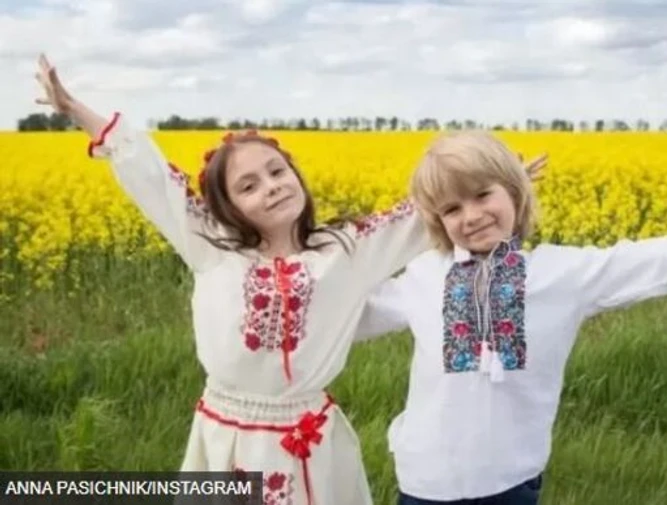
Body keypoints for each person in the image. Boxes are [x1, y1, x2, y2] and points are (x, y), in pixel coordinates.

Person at [32, 54, 547, 505]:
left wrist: (501, 182)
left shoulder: (346, 251)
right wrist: (74, 108)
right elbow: (150, 175)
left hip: (311, 436)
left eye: (278, 172)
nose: (271, 187)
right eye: (249, 186)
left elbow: (426, 212)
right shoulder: (211, 247)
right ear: (228, 207)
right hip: (229, 437)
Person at [353, 130, 667, 504]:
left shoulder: (561, 274)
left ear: (515, 192)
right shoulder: (424, 276)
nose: (470, 216)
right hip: (427, 483)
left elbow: (652, 262)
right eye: (452, 208)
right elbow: (347, 317)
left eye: (482, 195)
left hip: (511, 481)